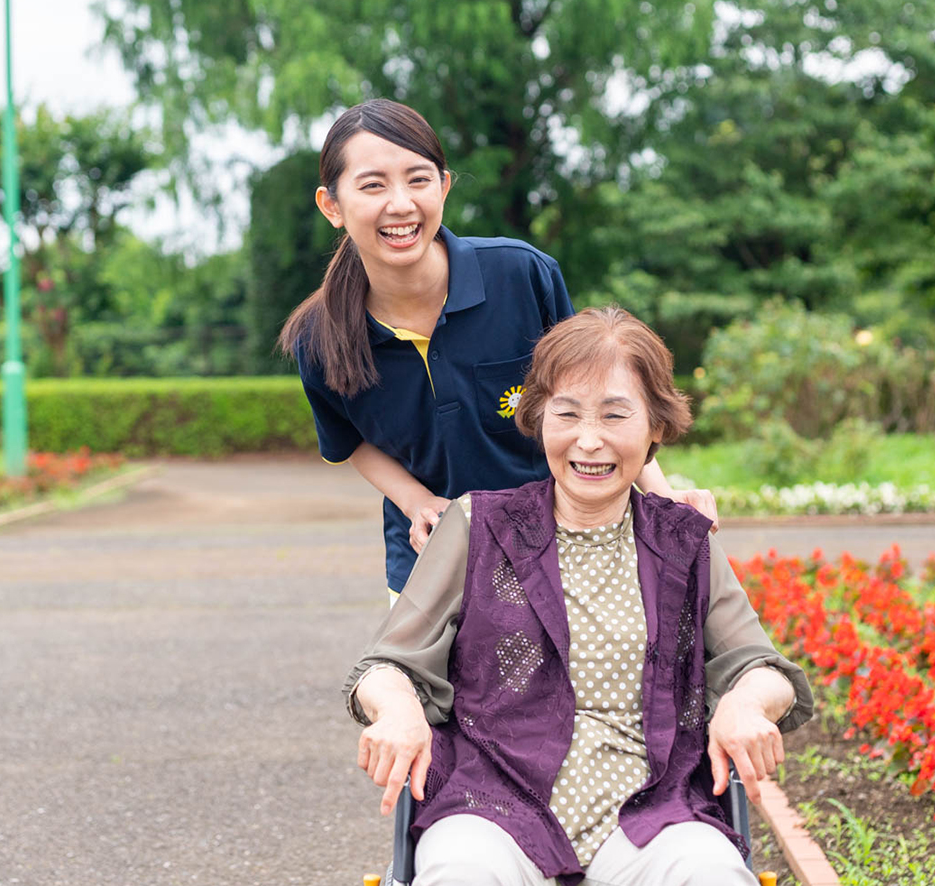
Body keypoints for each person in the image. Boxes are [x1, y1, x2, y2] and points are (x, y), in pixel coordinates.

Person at [343, 307, 814, 886]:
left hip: (651, 810)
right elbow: (387, 665)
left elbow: (762, 668)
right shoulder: (476, 526)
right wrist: (396, 709)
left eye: (616, 415)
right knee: (460, 872)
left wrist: (746, 703)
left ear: (656, 427)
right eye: (566, 413)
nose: (589, 441)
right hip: (494, 806)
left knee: (709, 872)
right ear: (539, 419)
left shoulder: (682, 540)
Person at [280, 99, 717, 598]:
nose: (400, 204)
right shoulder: (318, 337)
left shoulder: (523, 274)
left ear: (444, 187)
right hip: (432, 565)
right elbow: (350, 441)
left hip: (562, 547)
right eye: (373, 184)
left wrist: (665, 498)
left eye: (418, 179)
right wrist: (419, 501)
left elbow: (597, 402)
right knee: (410, 679)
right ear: (331, 205)